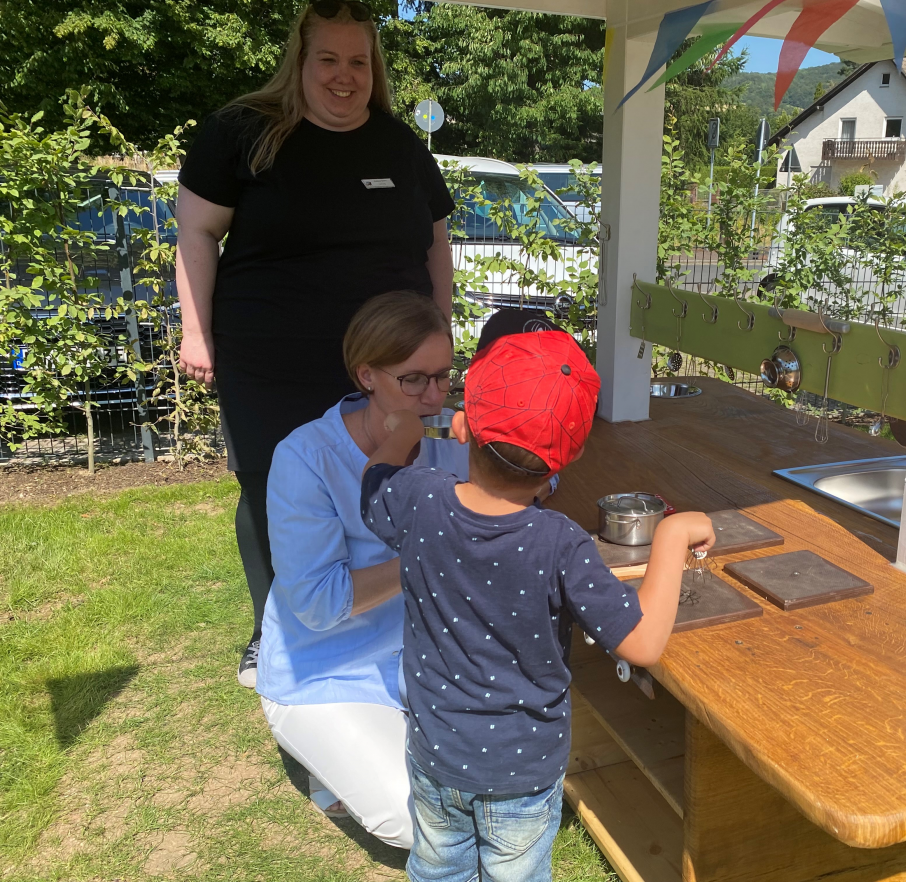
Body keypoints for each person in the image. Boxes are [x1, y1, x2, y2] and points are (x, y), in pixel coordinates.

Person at [360, 330, 715, 882]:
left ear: (466, 425)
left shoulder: (419, 499)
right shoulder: (561, 544)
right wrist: (670, 536)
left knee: (438, 869)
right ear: (567, 453)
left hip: (436, 753)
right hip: (520, 770)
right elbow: (642, 642)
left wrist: (400, 437)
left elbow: (374, 484)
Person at [175, 0, 456, 686]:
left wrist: (440, 333)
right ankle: (275, 623)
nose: (343, 76)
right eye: (328, 59)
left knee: (396, 475)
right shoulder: (242, 132)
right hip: (273, 359)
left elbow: (437, 246)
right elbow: (195, 234)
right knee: (275, 486)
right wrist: (195, 331)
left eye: (358, 61)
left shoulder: (399, 146)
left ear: (374, 69)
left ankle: (391, 609)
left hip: (389, 366)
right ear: (299, 62)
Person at [257, 292, 465, 846]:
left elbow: (536, 479)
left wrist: (506, 444)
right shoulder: (306, 458)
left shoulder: (449, 437)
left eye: (444, 377)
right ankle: (314, 744)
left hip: (426, 656)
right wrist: (432, 551)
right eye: (414, 380)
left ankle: (360, 754)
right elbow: (319, 604)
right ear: (367, 374)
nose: (434, 397)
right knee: (417, 821)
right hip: (325, 669)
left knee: (526, 769)